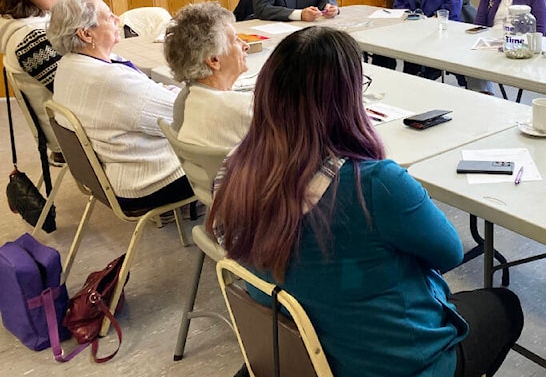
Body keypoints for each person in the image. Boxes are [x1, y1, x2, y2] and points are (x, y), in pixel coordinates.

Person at [209, 27, 523, 377]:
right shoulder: (374, 184)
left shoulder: (235, 170)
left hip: (296, 355)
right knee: (504, 306)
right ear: (346, 99)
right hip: (387, 360)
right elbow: (448, 254)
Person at [48, 0, 193, 213]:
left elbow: (147, 97)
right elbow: (183, 116)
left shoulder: (69, 64)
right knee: (243, 146)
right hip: (149, 181)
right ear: (87, 34)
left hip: (117, 169)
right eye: (108, 17)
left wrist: (168, 91)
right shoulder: (111, 80)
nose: (117, 19)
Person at [163, 2, 253, 150]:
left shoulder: (184, 99)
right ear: (213, 60)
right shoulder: (242, 109)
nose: (246, 45)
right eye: (236, 40)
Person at [0, 0, 65, 156]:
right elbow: (73, 88)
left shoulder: (25, 28)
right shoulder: (31, 40)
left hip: (68, 125)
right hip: (71, 135)